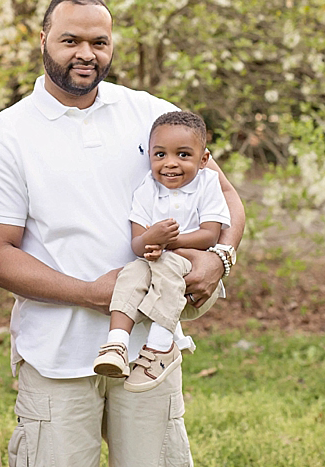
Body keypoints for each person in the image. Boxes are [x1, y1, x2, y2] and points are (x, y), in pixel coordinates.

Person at [0, 0, 245, 467]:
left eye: (99, 42)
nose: (86, 54)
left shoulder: (148, 114)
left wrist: (220, 260)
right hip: (57, 353)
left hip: (148, 352)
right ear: (42, 40)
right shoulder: (7, 136)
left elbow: (224, 196)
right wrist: (88, 294)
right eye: (70, 40)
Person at [93, 111, 231, 392]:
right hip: (154, 263)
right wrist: (149, 242)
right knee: (131, 272)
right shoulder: (147, 189)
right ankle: (117, 344)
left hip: (191, 270)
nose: (170, 163)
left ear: (203, 159)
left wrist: (167, 243)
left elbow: (209, 235)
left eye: (183, 155)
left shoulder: (208, 184)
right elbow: (137, 244)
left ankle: (160, 348)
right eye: (160, 155)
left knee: (168, 267)